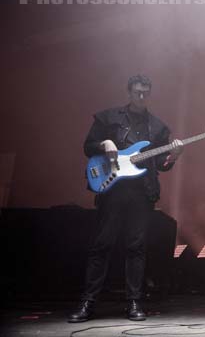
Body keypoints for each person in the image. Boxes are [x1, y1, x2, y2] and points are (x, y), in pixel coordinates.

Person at [68, 74, 183, 322]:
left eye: (145, 92)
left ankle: (134, 302)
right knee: (101, 245)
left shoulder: (158, 127)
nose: (141, 96)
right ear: (129, 92)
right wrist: (105, 143)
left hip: (142, 193)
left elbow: (161, 166)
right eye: (137, 92)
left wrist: (174, 156)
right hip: (112, 189)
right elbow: (88, 146)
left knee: (136, 247)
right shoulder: (108, 117)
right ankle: (88, 302)